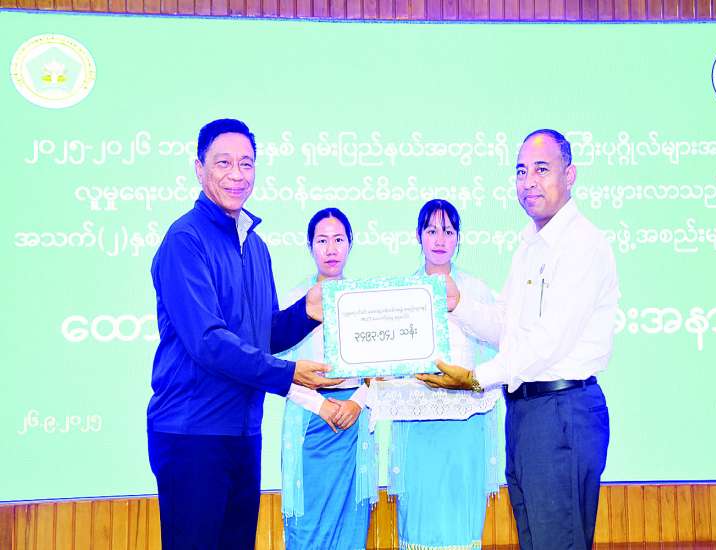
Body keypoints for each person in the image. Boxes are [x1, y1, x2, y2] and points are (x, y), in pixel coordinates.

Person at [418, 130, 619, 550]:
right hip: (528, 413)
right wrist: (457, 303)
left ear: (570, 174)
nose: (528, 182)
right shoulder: (528, 246)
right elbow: (506, 326)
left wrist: (477, 377)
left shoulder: (581, 244)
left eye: (541, 170)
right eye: (521, 171)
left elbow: (549, 342)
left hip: (561, 411)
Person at [147, 118, 340, 550]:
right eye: (224, 163)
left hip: (242, 432)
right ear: (199, 168)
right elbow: (207, 341)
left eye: (247, 163)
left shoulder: (255, 246)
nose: (237, 174)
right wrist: (288, 374)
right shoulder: (184, 240)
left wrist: (308, 312)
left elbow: (262, 335)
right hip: (192, 434)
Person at [371, 199, 502, 550]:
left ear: (459, 237)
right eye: (431, 230)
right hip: (417, 421)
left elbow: (497, 341)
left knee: (460, 516)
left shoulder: (476, 289)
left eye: (448, 231)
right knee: (421, 516)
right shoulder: (403, 291)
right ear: (418, 236)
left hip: (466, 420)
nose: (440, 239)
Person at [279, 207, 377, 550]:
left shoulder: (365, 299)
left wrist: (356, 403)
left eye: (338, 240)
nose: (331, 249)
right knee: (308, 526)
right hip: (309, 420)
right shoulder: (295, 300)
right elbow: (278, 368)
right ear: (309, 246)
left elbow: (381, 368)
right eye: (322, 240)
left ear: (350, 244)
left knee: (350, 525)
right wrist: (321, 405)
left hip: (353, 420)